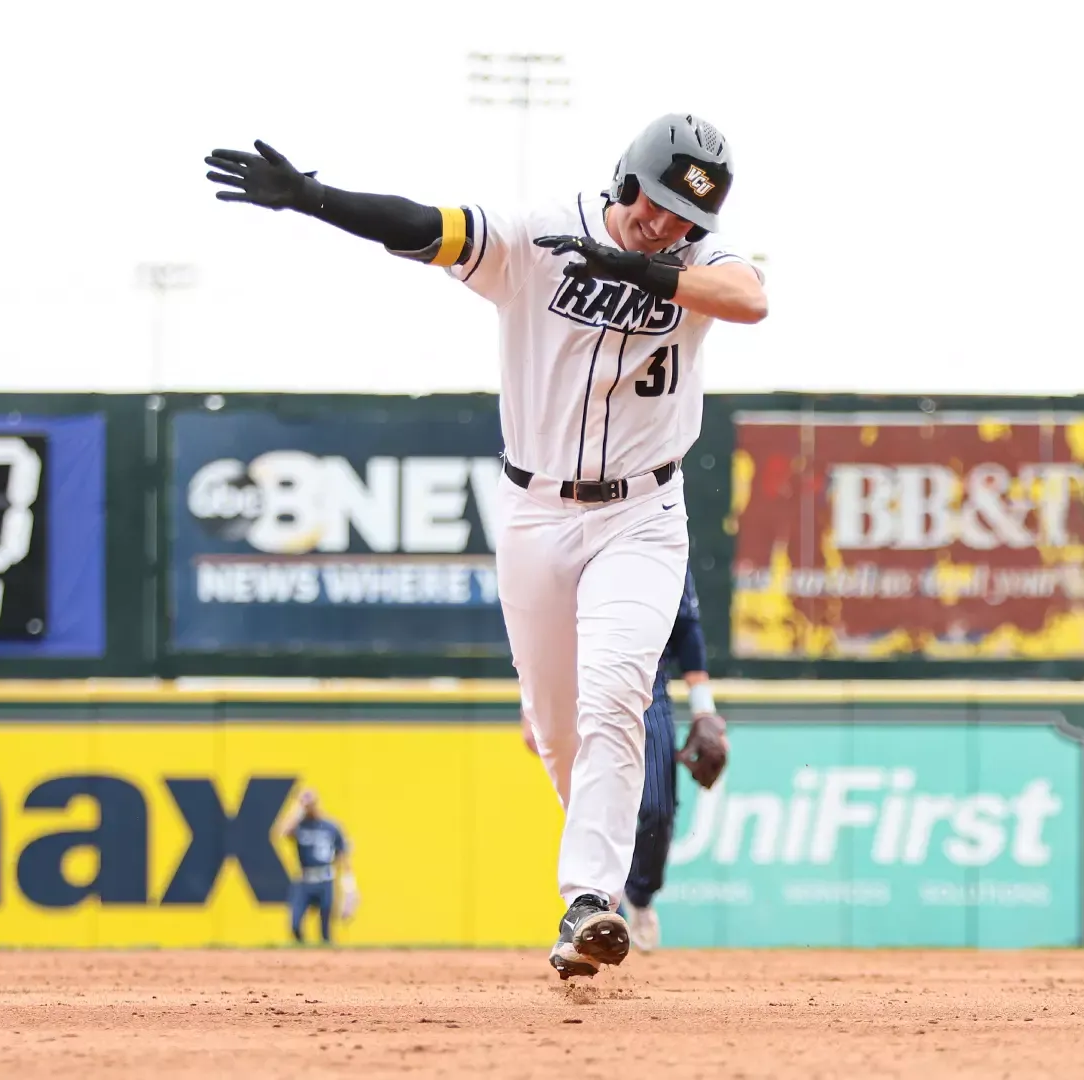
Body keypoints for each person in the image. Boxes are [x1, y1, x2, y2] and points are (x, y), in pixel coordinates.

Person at [206, 112, 767, 978]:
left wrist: (643, 268)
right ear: (625, 178)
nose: (666, 224)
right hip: (536, 514)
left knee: (616, 693)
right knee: (556, 729)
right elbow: (425, 226)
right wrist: (315, 199)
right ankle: (601, 876)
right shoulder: (538, 236)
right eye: (655, 203)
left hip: (644, 515)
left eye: (685, 217)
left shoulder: (695, 260)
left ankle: (590, 902)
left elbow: (750, 298)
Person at [520, 566, 726, 953]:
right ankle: (587, 907)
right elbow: (537, 621)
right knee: (587, 800)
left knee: (658, 810)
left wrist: (704, 708)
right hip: (575, 678)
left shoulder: (656, 535)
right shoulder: (563, 537)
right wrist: (531, 703)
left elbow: (686, 624)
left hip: (644, 680)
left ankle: (639, 894)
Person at [275, 787, 356, 945]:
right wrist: (298, 809)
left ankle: (325, 958)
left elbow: (343, 857)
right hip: (304, 880)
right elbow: (282, 832)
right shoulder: (299, 826)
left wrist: (350, 889)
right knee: (295, 924)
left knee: (325, 931)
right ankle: (303, 952)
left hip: (325, 880)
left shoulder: (330, 827)